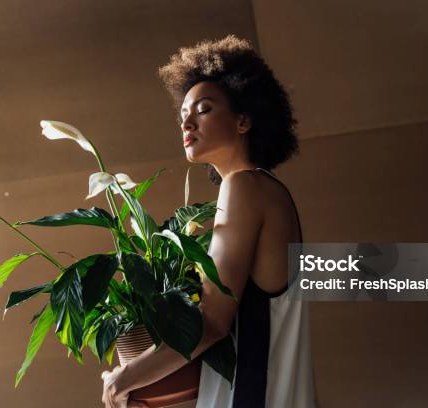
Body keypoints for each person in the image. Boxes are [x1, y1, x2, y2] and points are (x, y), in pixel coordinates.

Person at [102, 35, 317, 408]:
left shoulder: (244, 187)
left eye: (202, 109)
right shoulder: (267, 192)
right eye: (183, 114)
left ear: (244, 120)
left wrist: (126, 377)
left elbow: (213, 322)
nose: (187, 122)